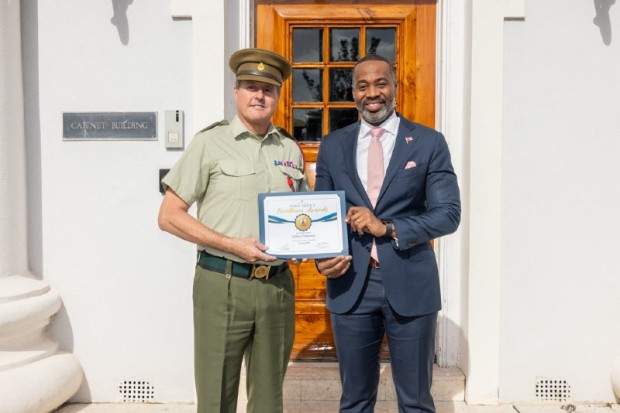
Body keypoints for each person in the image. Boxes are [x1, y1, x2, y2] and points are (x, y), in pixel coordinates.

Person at [158, 48, 308, 413]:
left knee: (269, 399)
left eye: (268, 89)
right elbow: (169, 216)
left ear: (277, 95)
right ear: (236, 91)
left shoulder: (290, 148)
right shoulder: (209, 143)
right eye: (251, 87)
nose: (259, 96)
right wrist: (230, 244)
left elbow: (301, 214)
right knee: (216, 398)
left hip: (276, 287)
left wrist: (303, 244)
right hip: (222, 284)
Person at [314, 54, 461, 413]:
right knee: (354, 401)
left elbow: (448, 214)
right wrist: (321, 259)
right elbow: (321, 213)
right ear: (353, 93)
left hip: (412, 282)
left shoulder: (428, 142)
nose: (372, 93)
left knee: (415, 402)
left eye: (381, 83)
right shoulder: (333, 145)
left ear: (395, 87)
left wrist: (389, 227)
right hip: (351, 284)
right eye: (362, 86)